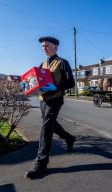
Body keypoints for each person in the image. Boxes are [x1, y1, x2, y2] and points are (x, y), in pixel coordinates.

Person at [21, 36, 76, 179]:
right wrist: (27, 85)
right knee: (50, 124)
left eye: (47, 45)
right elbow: (37, 82)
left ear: (56, 47)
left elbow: (71, 83)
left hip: (55, 99)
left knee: (46, 127)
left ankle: (40, 164)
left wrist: (54, 88)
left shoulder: (63, 63)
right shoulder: (42, 64)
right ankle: (69, 138)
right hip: (42, 100)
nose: (44, 48)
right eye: (42, 46)